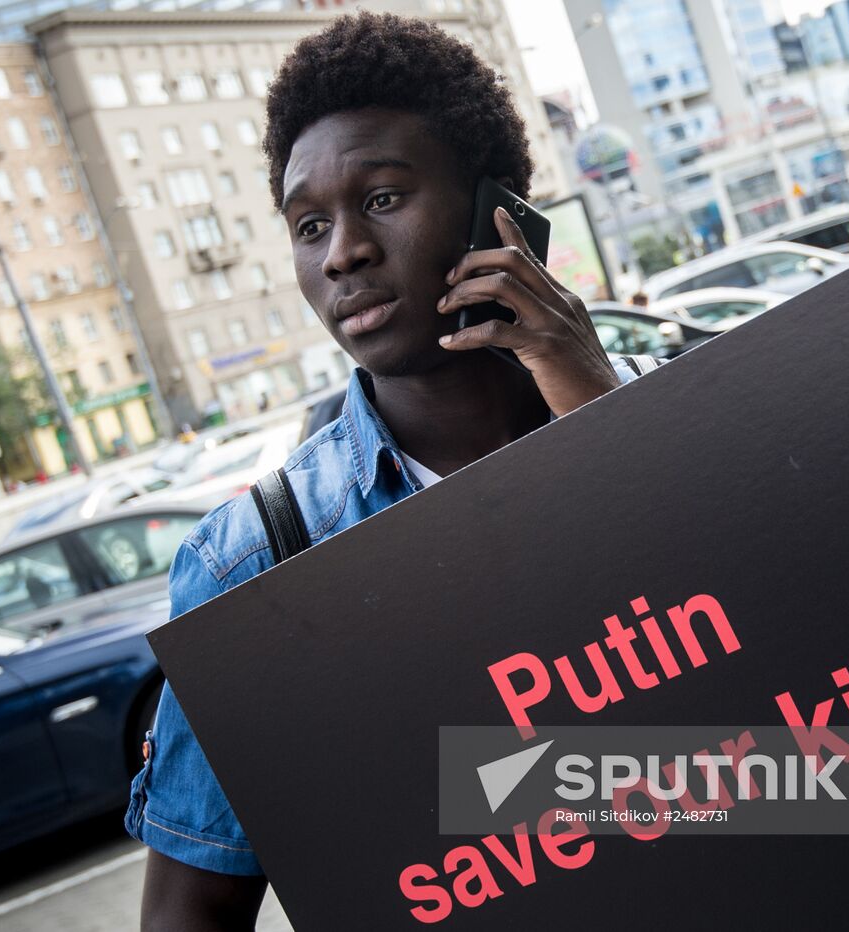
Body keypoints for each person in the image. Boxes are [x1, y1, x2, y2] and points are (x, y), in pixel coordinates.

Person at [127, 13, 653, 929]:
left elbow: (847, 716)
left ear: (498, 205)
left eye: (381, 200)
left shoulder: (706, 409)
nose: (341, 254)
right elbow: (189, 913)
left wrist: (601, 406)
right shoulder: (255, 563)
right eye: (307, 224)